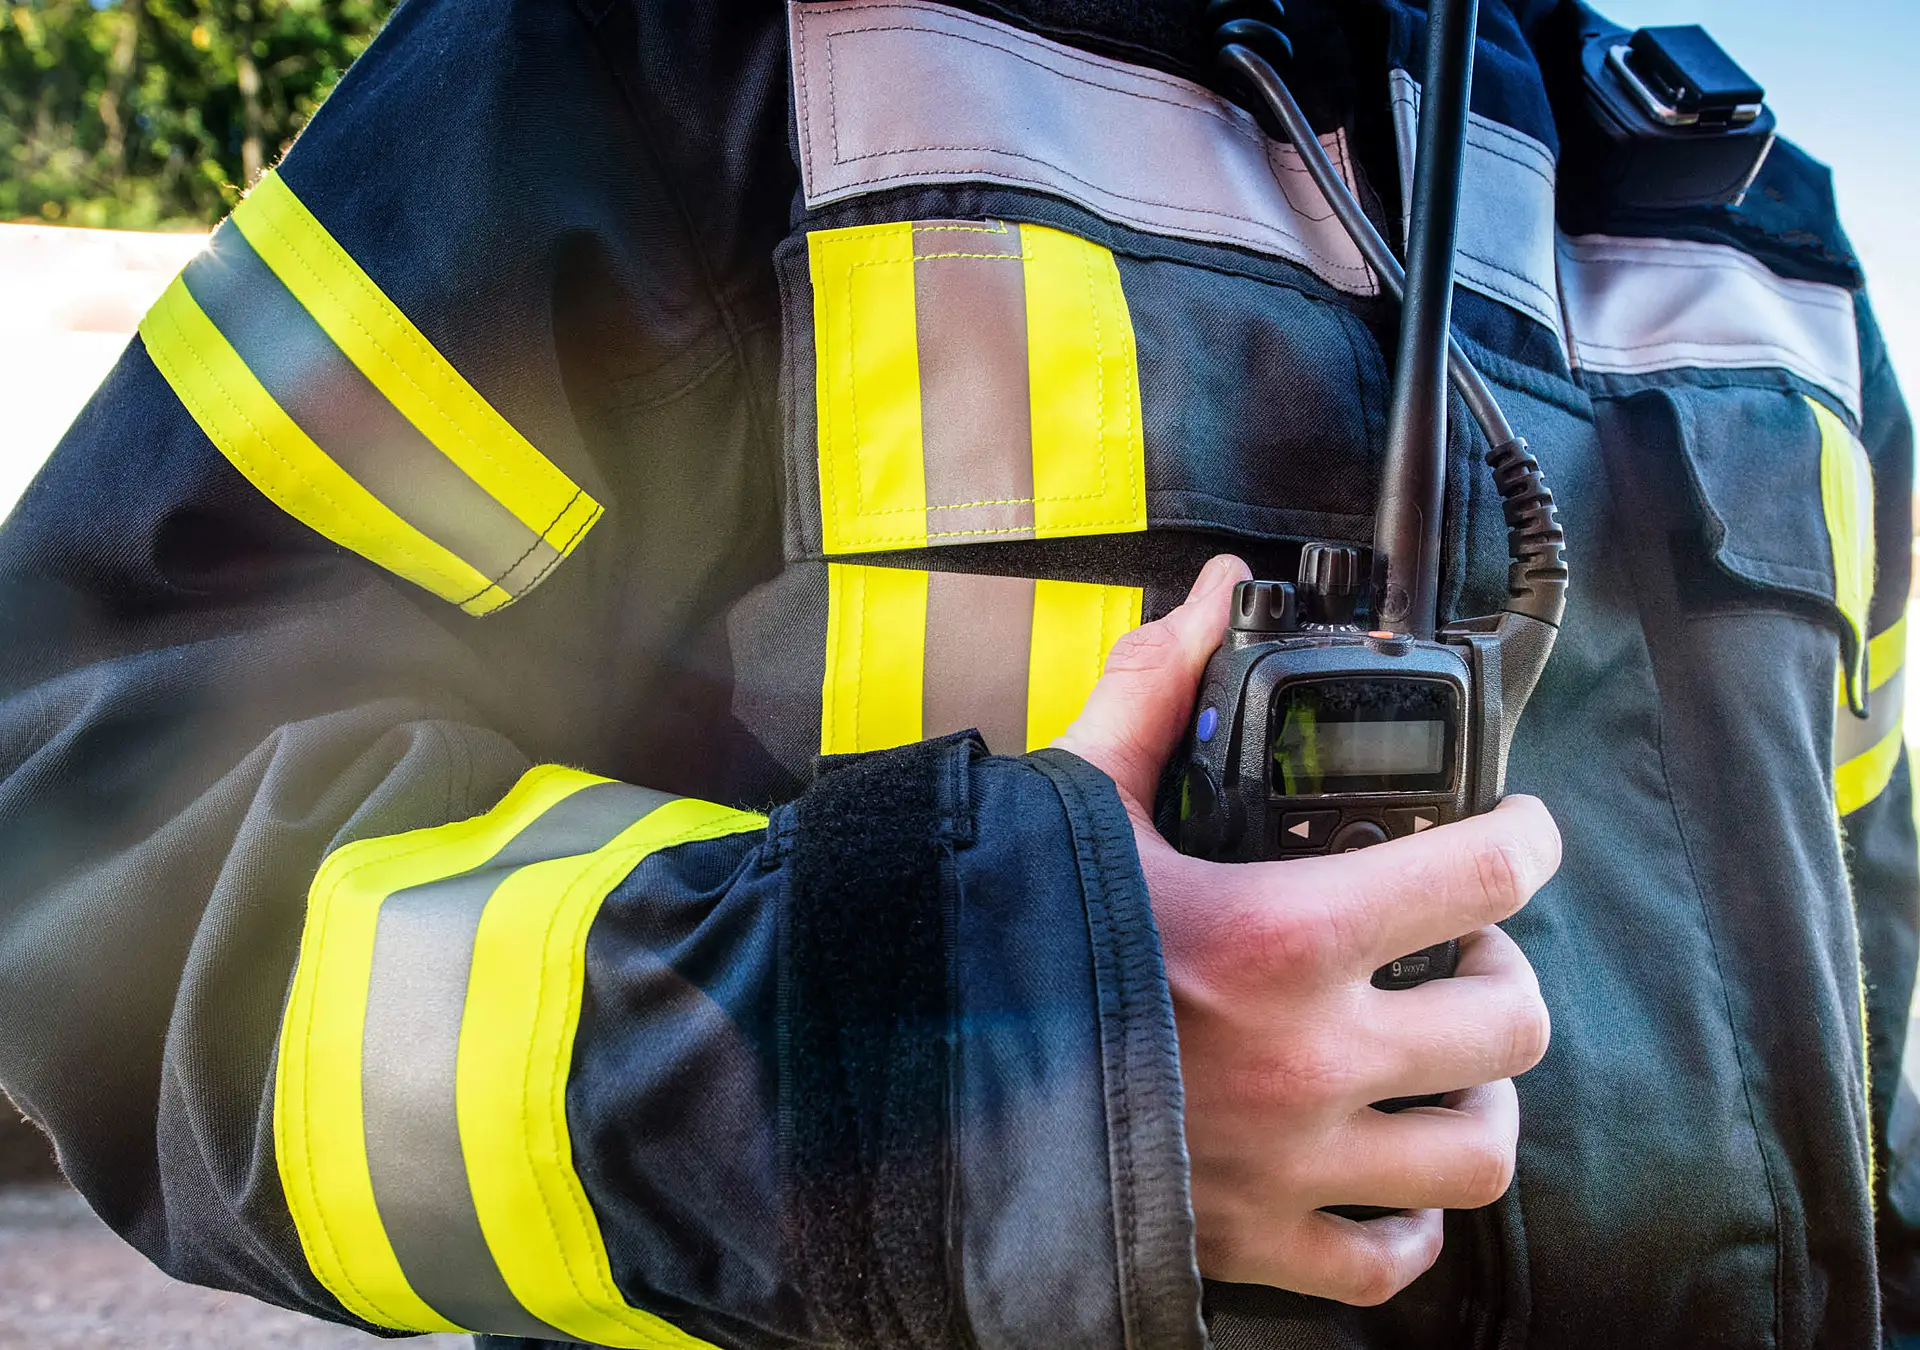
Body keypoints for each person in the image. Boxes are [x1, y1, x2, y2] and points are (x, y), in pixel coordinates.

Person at [0, 0, 1908, 1346]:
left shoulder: (1757, 212)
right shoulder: (681, 53)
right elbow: (80, 808)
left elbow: (1874, 975)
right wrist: (947, 1071)